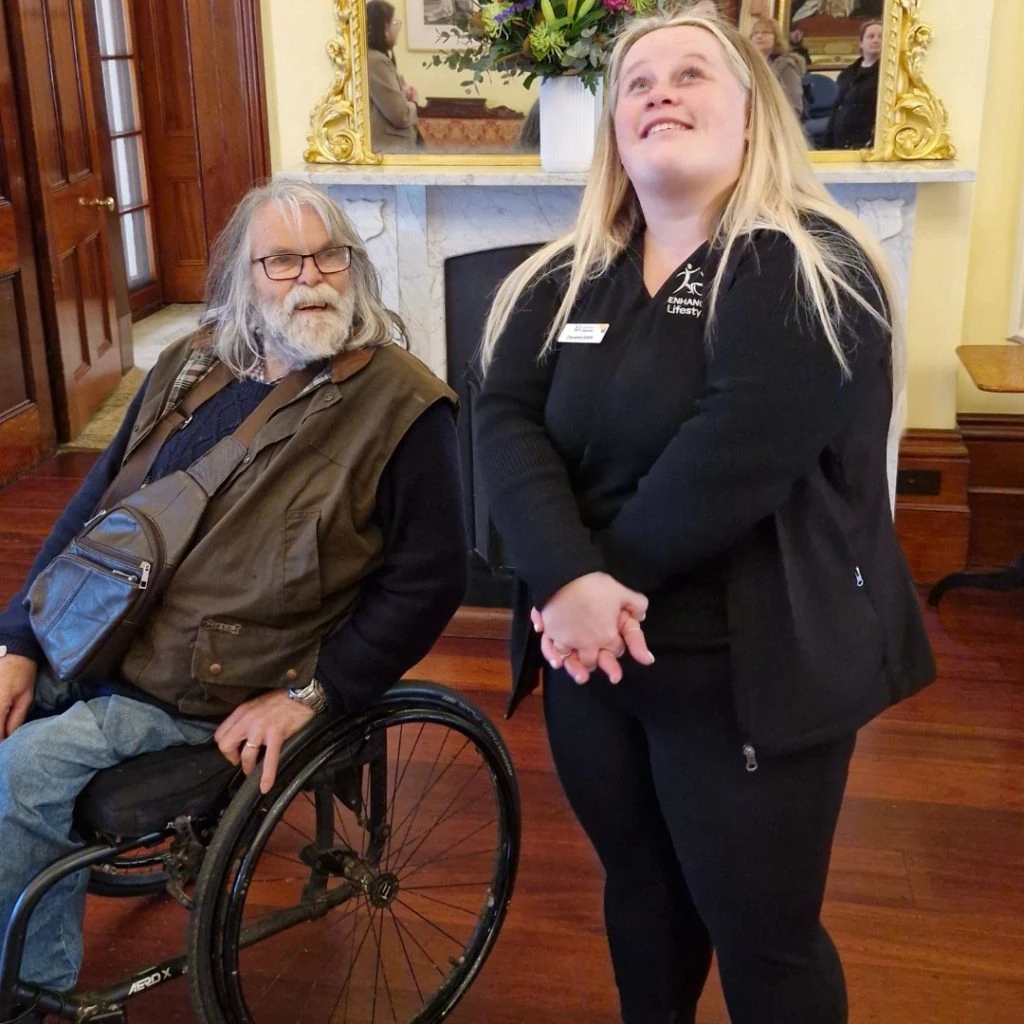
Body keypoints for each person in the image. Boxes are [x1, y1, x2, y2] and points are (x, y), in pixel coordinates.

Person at [474, 10, 934, 1024]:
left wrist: (596, 591)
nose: (659, 93)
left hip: (746, 671)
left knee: (762, 938)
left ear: (752, 115)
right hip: (595, 669)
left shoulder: (810, 264)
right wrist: (563, 580)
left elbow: (734, 452)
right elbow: (504, 425)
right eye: (636, 82)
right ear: (613, 127)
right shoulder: (556, 279)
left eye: (691, 74)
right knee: (640, 899)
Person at [0, 180, 466, 1019]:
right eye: (281, 260)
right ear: (243, 277)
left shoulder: (401, 403)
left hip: (203, 682)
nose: (309, 278)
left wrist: (310, 694)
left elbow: (432, 579)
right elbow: (95, 506)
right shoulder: (191, 362)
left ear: (354, 268)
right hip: (98, 630)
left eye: (329, 256)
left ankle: (31, 998)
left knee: (22, 773)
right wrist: (18, 640)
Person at [365, 0, 420, 152]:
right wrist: (414, 102)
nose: (398, 28)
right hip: (390, 150)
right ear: (384, 27)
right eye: (394, 23)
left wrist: (401, 93)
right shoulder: (377, 61)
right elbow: (400, 114)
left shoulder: (374, 58)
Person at [821, 19, 883, 149]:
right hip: (840, 141)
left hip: (867, 144)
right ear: (861, 42)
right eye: (871, 36)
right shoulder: (847, 74)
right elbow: (836, 111)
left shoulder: (887, 74)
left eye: (881, 36)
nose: (876, 40)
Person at [750, 17, 806, 117]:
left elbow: (794, 107)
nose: (759, 36)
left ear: (776, 38)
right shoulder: (748, 64)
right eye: (755, 33)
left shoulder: (786, 65)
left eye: (765, 32)